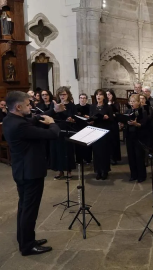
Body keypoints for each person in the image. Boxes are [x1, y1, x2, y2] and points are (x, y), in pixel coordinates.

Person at [3, 91, 61, 256]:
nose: (31, 107)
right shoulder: (20, 125)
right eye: (28, 105)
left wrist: (53, 111)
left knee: (24, 207)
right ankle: (27, 246)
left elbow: (32, 120)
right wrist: (53, 122)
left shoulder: (9, 119)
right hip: (30, 173)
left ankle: (25, 239)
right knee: (29, 210)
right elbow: (52, 134)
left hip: (21, 170)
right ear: (18, 106)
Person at [50, 87, 77, 180]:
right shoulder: (55, 105)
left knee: (68, 150)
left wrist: (72, 119)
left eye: (64, 94)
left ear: (68, 95)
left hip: (68, 129)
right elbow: (51, 115)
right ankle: (60, 170)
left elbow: (75, 117)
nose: (62, 96)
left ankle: (69, 170)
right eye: (60, 94)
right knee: (58, 150)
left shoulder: (72, 106)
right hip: (57, 129)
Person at [122, 94, 149, 183]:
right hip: (129, 136)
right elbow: (124, 121)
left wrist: (136, 124)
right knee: (131, 156)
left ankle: (141, 175)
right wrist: (123, 123)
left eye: (134, 101)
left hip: (139, 137)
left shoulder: (143, 112)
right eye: (131, 101)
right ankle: (133, 174)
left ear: (138, 102)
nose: (132, 103)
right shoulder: (128, 110)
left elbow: (144, 124)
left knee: (139, 156)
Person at [89, 89, 113, 180]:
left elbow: (112, 120)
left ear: (104, 97)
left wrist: (107, 117)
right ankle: (98, 171)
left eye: (100, 95)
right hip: (95, 131)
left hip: (104, 131)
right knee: (96, 152)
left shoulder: (108, 107)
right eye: (97, 95)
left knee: (104, 152)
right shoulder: (92, 106)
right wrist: (90, 121)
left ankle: (105, 171)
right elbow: (91, 116)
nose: (98, 96)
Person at [75, 93, 92, 164]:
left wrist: (89, 117)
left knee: (87, 144)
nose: (82, 99)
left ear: (86, 99)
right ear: (79, 99)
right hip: (78, 127)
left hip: (87, 127)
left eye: (84, 98)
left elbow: (92, 116)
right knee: (78, 144)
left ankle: (88, 159)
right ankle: (79, 159)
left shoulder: (90, 107)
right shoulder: (75, 107)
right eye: (81, 98)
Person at [106, 89, 122, 165]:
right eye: (106, 94)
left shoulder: (116, 103)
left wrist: (114, 114)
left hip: (113, 124)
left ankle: (114, 158)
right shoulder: (104, 103)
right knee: (107, 141)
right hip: (106, 124)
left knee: (114, 141)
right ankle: (108, 157)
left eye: (109, 94)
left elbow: (117, 113)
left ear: (112, 95)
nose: (108, 96)